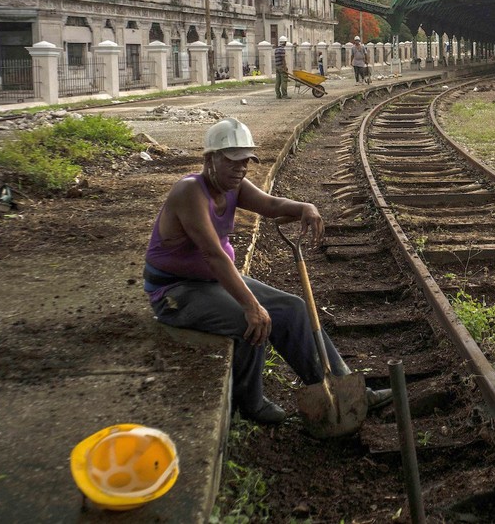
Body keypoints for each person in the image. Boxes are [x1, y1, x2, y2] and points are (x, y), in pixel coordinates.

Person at [143, 117, 388, 425]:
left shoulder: (233, 184)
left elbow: (270, 204)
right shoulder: (189, 191)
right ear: (210, 159)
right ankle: (251, 404)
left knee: (293, 309)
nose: (241, 169)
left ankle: (345, 389)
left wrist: (303, 207)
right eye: (233, 162)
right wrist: (251, 305)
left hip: (211, 282)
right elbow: (213, 255)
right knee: (250, 322)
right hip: (176, 292)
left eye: (246, 161)